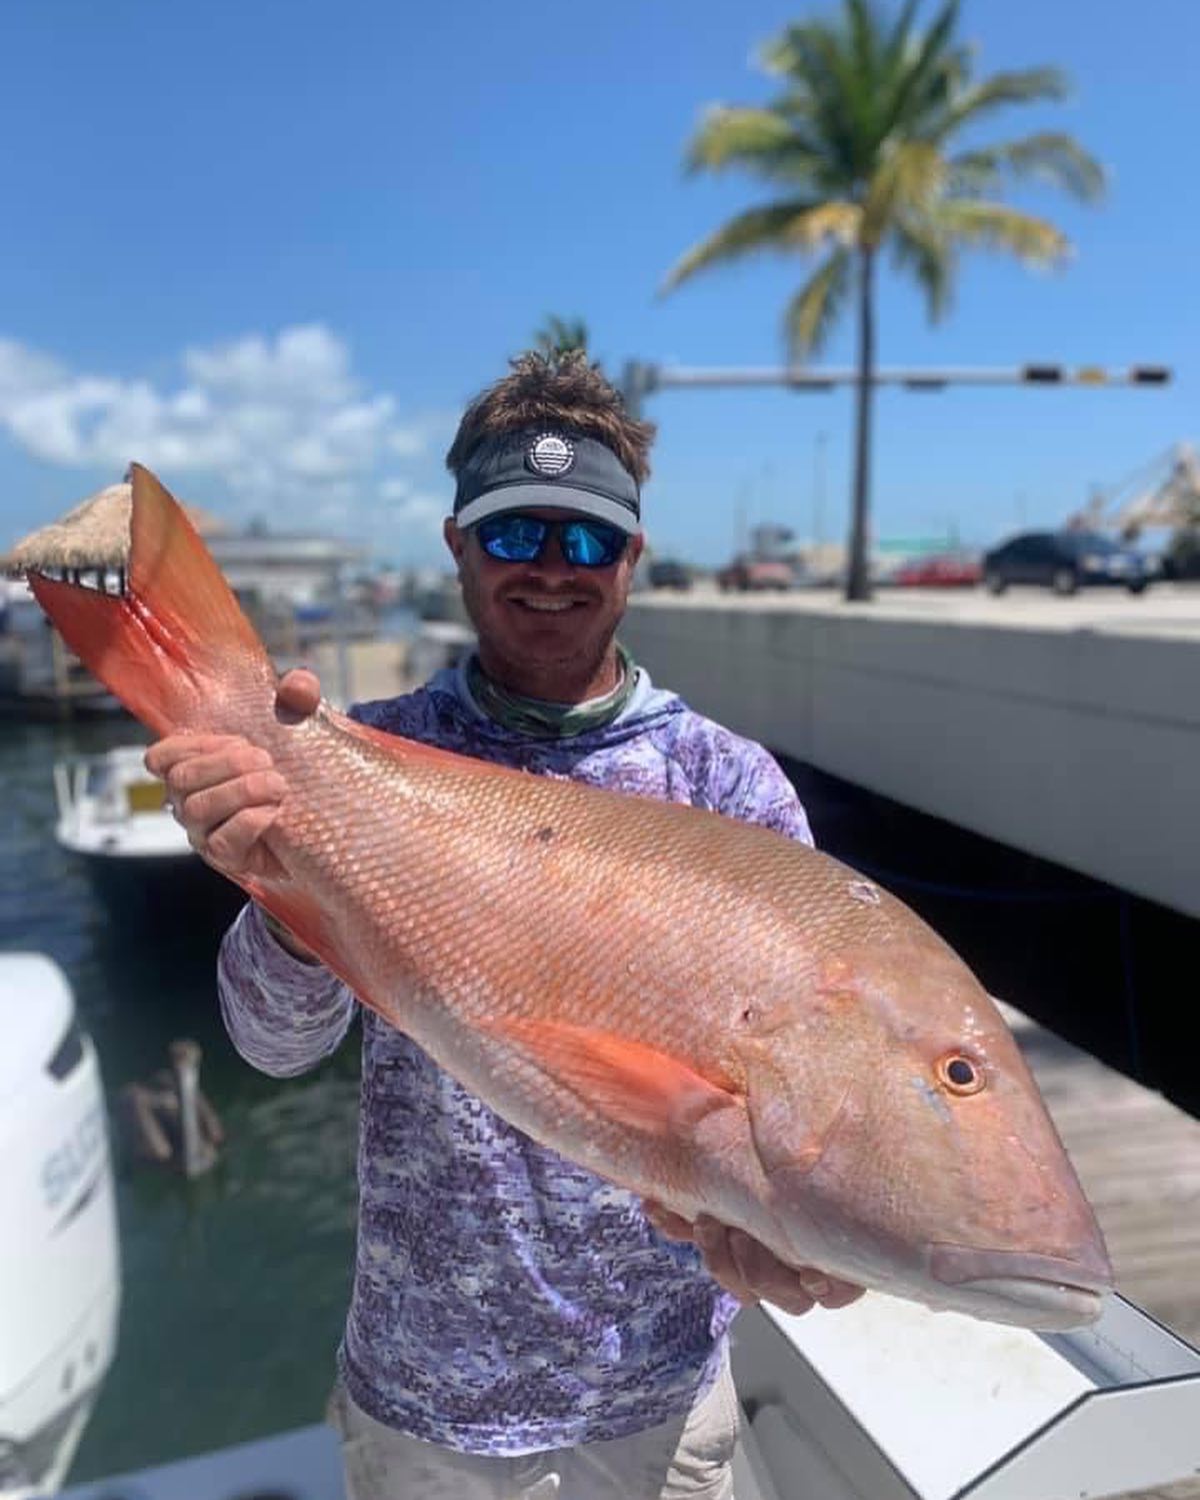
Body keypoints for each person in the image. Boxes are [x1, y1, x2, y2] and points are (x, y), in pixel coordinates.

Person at [147, 351, 863, 1500]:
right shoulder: (357, 753)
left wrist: (798, 1233)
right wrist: (278, 904)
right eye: (511, 535)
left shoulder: (726, 786)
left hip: (658, 1397)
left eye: (582, 540)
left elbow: (793, 1090)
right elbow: (276, 1047)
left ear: (632, 557)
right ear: (455, 545)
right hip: (426, 1403)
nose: (548, 571)